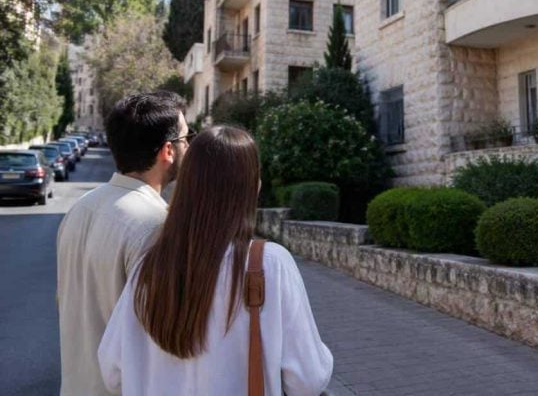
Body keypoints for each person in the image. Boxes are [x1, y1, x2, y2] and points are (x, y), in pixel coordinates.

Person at [98, 126, 333, 396]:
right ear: (251, 188)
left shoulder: (149, 268)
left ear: (186, 186)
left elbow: (112, 370)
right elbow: (308, 379)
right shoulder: (270, 265)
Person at [57, 91, 189, 396]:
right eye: (187, 137)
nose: (190, 146)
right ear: (167, 150)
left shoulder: (80, 209)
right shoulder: (157, 225)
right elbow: (164, 341)